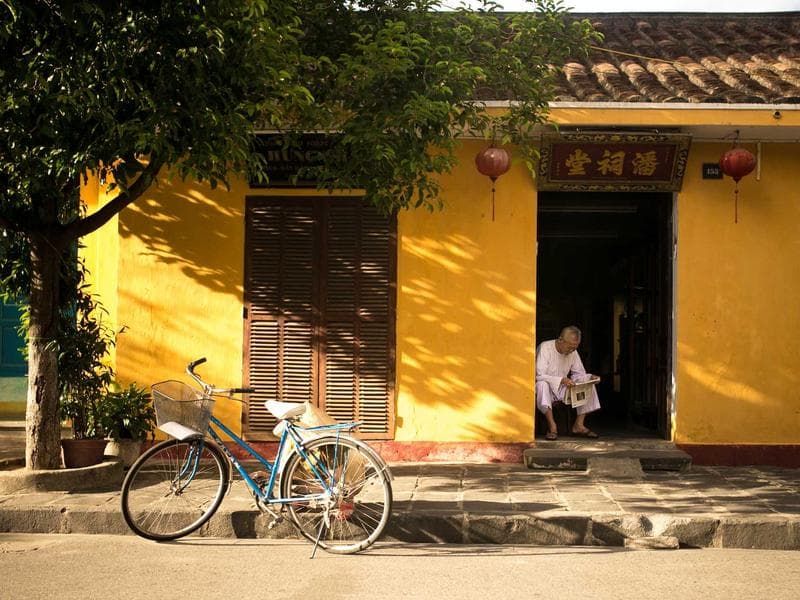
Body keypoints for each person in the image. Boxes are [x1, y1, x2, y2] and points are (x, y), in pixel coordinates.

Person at [535, 325, 600, 440]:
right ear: (560, 340)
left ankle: (578, 425)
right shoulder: (545, 347)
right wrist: (561, 380)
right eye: (569, 347)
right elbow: (539, 375)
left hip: (563, 388)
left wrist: (590, 377)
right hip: (547, 388)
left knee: (588, 382)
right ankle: (552, 427)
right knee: (541, 384)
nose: (571, 350)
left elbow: (579, 373)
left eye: (575, 348)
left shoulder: (573, 352)